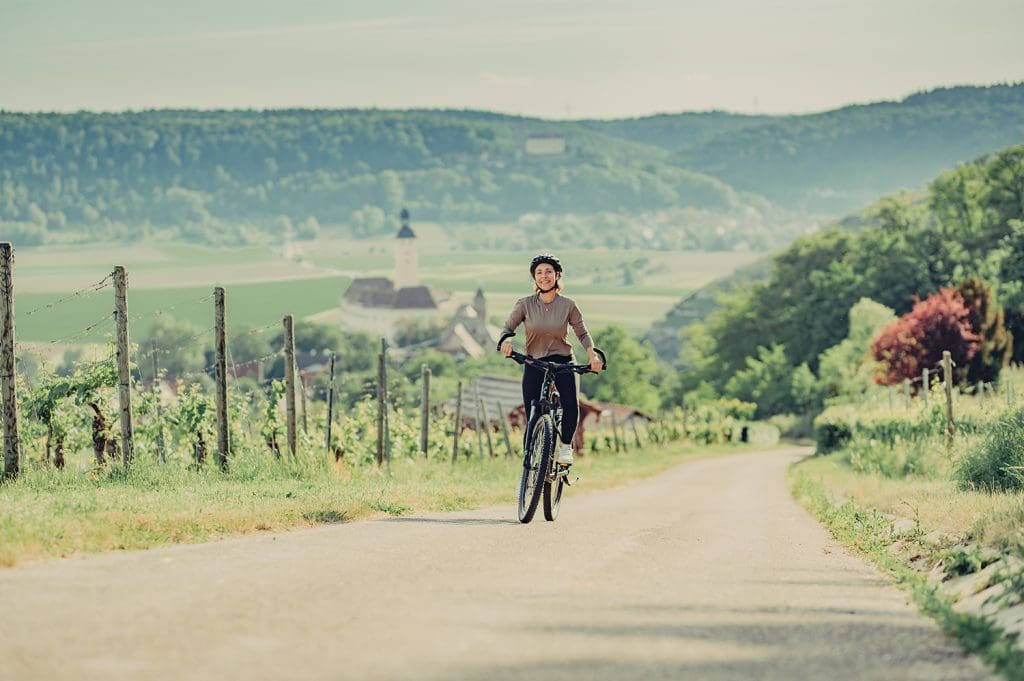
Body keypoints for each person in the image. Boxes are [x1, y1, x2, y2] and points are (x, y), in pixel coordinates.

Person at [499, 253, 602, 466]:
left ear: (557, 275)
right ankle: (531, 454)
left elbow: (582, 333)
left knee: (570, 404)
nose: (543, 276)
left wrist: (592, 354)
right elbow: (508, 328)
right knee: (533, 409)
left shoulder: (568, 305)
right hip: (534, 361)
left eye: (548, 272)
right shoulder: (525, 305)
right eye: (539, 272)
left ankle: (565, 447)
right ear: (534, 278)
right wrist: (506, 341)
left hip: (563, 360)